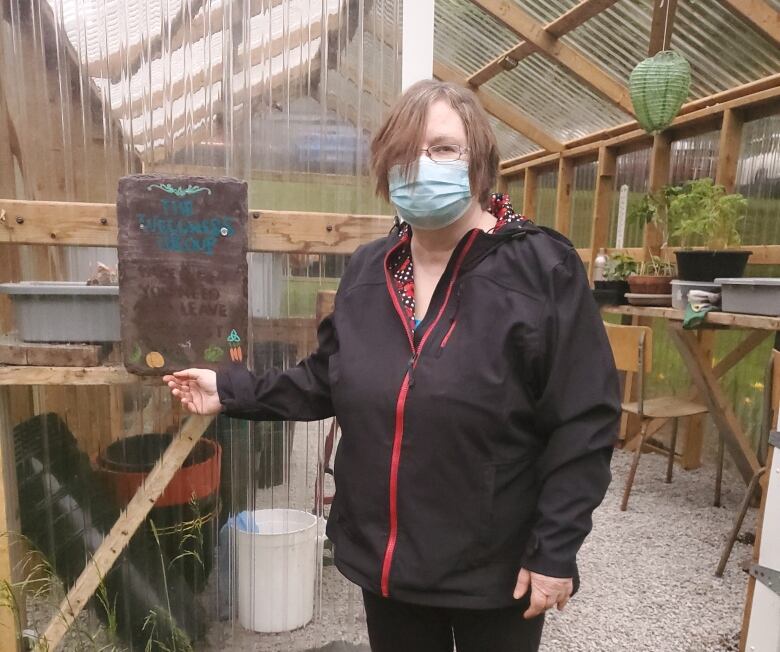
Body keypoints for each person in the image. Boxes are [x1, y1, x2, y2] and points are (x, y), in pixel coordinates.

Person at [164, 79, 621, 652]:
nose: (422, 164)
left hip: (494, 567)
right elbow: (323, 379)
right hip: (388, 566)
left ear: (479, 162)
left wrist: (556, 548)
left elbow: (585, 418)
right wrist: (229, 389)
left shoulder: (540, 269)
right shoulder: (367, 271)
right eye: (405, 152)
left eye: (444, 148)